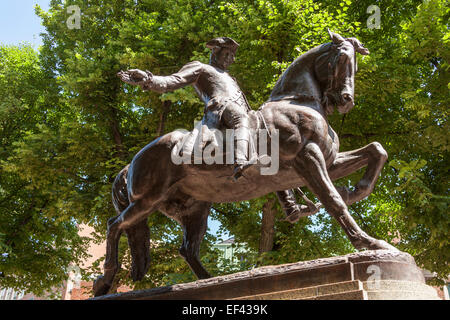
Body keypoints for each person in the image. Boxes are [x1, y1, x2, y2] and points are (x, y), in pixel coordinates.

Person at [118, 37, 308, 221]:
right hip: (222, 110)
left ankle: (290, 206)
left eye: (233, 55)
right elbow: (172, 81)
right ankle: (241, 160)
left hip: (244, 115)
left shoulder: (230, 77)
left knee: (270, 145)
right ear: (215, 52)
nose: (231, 58)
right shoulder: (200, 68)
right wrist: (148, 79)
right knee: (240, 118)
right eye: (227, 53)